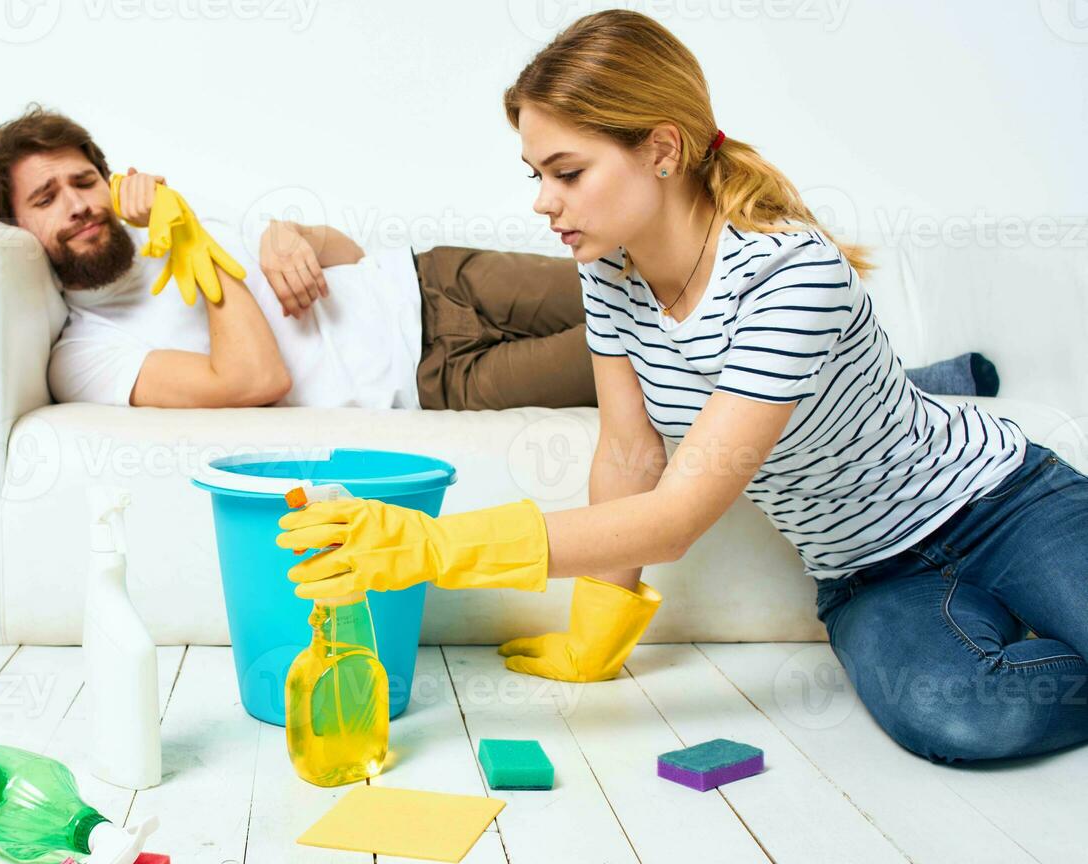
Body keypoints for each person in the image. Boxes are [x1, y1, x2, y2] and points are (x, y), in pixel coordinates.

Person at [275, 10, 1088, 766]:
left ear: (662, 149)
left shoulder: (790, 272)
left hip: (1002, 506)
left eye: (567, 172)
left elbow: (676, 519)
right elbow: (631, 455)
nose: (542, 202)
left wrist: (433, 548)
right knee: (963, 713)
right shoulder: (609, 275)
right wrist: (598, 629)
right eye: (536, 174)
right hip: (869, 571)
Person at [0, 106, 997, 412]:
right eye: (47, 202)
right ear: (25, 235)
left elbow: (344, 254)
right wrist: (203, 240)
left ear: (107, 178)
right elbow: (255, 375)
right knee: (653, 354)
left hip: (430, 278)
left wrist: (286, 233)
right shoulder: (83, 356)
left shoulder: (168, 228)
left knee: (665, 268)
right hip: (436, 378)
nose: (79, 208)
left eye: (82, 182)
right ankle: (914, 395)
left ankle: (881, 377)